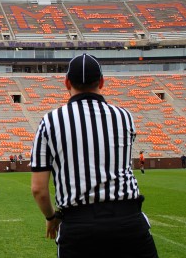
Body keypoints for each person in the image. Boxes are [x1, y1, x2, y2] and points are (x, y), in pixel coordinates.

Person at [30, 54, 158, 258]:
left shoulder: (50, 121)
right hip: (128, 222)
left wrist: (51, 217)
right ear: (102, 82)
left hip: (80, 227)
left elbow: (39, 189)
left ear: (67, 83)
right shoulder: (124, 116)